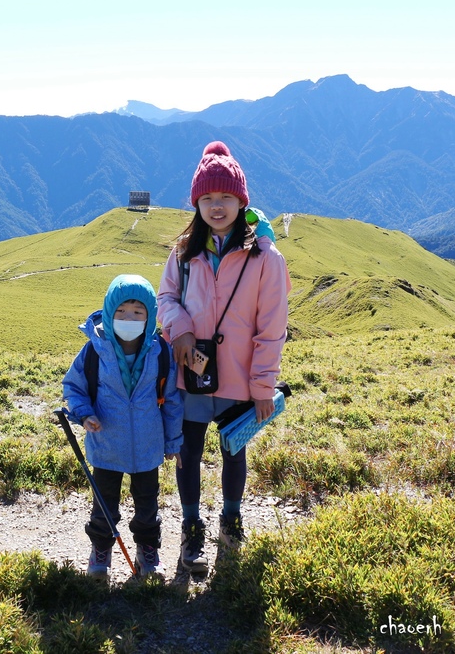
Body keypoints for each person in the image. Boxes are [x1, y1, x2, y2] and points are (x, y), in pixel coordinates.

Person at [158, 141, 290, 575]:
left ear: (241, 201)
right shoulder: (182, 252)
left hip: (240, 377)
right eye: (208, 199)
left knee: (234, 452)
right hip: (191, 373)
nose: (217, 207)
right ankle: (192, 529)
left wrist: (263, 387)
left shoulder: (266, 259)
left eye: (226, 198)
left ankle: (231, 522)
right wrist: (181, 329)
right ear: (197, 202)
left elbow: (272, 330)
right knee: (188, 454)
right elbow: (165, 299)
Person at [63, 274, 184, 580]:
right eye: (122, 312)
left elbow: (170, 399)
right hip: (106, 444)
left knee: (147, 505)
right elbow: (74, 386)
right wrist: (84, 414)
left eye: (138, 312)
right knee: (104, 504)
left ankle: (147, 551)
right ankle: (100, 552)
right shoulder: (94, 350)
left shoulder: (161, 352)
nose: (129, 318)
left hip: (147, 445)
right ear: (109, 311)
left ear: (150, 316)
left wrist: (172, 444)